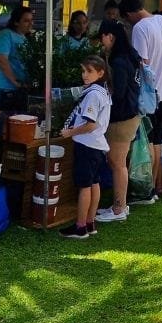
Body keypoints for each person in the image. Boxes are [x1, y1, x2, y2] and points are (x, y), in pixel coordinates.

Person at [120, 0, 162, 199]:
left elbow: (143, 63)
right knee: (157, 140)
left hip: (150, 94)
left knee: (148, 141)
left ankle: (147, 188)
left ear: (129, 14)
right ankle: (156, 187)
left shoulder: (140, 28)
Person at [58, 55, 111, 239]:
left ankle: (80, 227)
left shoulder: (93, 95)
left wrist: (70, 133)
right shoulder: (103, 92)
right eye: (83, 71)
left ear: (100, 73)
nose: (84, 75)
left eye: (89, 71)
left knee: (84, 186)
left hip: (87, 145)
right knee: (94, 183)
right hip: (97, 145)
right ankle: (90, 222)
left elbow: (90, 124)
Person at [95, 20, 141, 222]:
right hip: (130, 115)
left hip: (122, 118)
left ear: (110, 36)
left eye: (102, 37)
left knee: (117, 162)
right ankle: (119, 205)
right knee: (119, 162)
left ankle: (118, 208)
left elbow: (119, 93)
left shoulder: (119, 61)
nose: (101, 42)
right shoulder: (130, 56)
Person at [0, 5, 34, 115]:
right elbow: (2, 60)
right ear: (16, 22)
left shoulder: (26, 38)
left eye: (31, 20)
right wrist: (15, 82)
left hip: (21, 89)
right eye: (26, 21)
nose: (30, 24)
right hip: (6, 89)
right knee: (5, 125)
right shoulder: (6, 35)